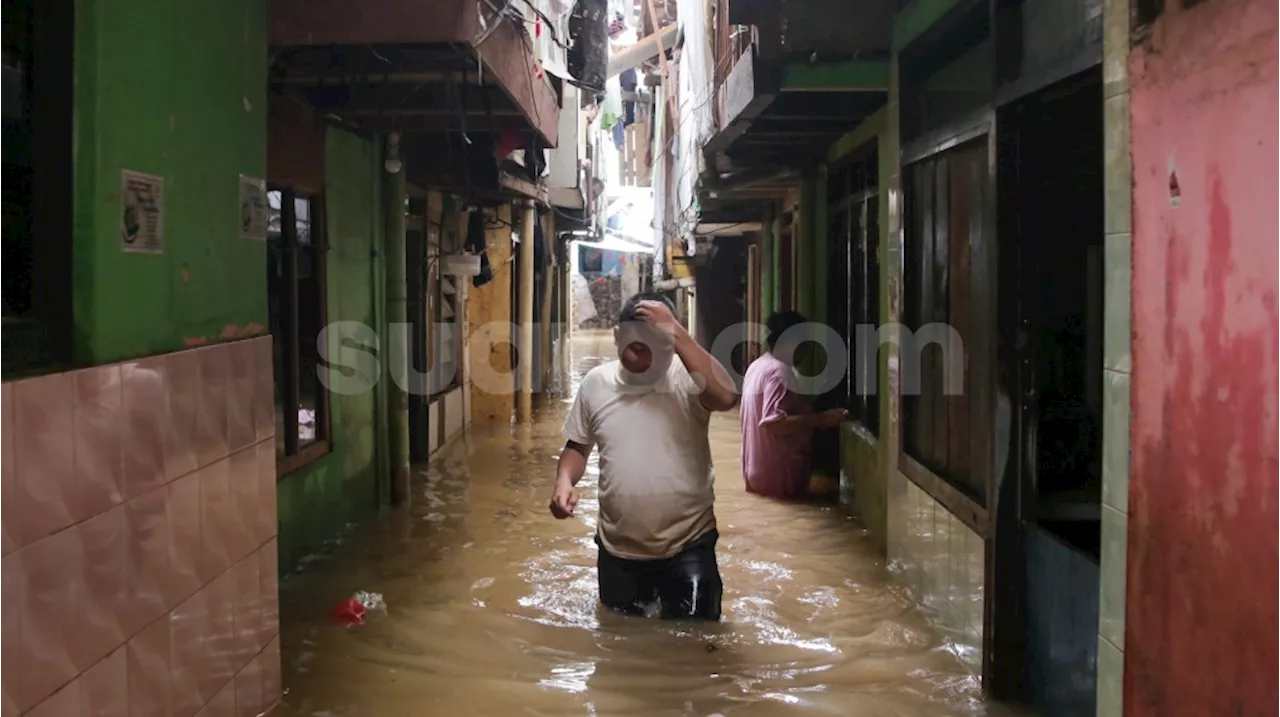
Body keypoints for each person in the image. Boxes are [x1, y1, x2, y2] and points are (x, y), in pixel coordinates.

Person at [548, 292, 738, 620]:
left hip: (688, 543)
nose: (650, 359)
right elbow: (577, 447)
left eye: (662, 348)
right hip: (618, 550)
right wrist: (564, 481)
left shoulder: (687, 379)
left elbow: (726, 398)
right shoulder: (596, 384)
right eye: (638, 349)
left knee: (695, 647)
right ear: (617, 337)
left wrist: (676, 332)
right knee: (622, 648)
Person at [740, 310, 847, 500]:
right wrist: (823, 420)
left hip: (758, 475)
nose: (807, 352)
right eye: (805, 344)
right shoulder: (778, 372)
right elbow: (774, 422)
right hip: (779, 479)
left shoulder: (757, 366)